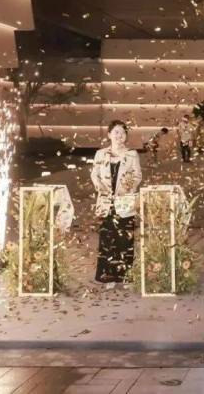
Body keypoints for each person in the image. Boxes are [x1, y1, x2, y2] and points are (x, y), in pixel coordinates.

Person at [91, 120, 142, 287]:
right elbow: (95, 175)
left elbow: (137, 176)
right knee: (107, 239)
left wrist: (127, 187)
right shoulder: (100, 154)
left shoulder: (132, 154)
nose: (119, 135)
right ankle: (109, 276)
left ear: (126, 136)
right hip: (106, 201)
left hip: (124, 201)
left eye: (122, 132)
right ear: (109, 135)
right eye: (116, 132)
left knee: (125, 239)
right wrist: (101, 188)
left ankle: (126, 276)